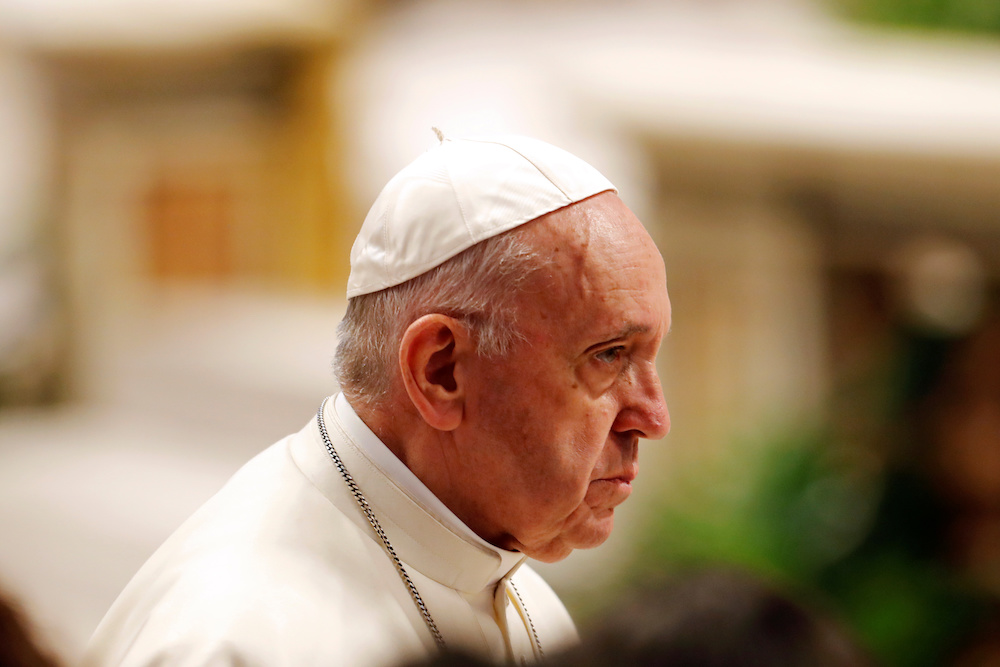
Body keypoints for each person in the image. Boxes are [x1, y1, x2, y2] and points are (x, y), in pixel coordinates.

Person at [84, 133, 671, 666]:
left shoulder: (520, 595)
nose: (654, 417)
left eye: (652, 357)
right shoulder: (234, 639)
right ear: (440, 371)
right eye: (609, 355)